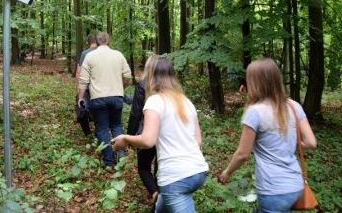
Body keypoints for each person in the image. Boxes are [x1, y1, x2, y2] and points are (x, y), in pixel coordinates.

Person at [218, 58, 317, 213]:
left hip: (274, 190)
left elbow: (243, 154)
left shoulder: (255, 112)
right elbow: (311, 143)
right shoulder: (293, 106)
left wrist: (227, 172)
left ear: (255, 82)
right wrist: (289, 143)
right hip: (296, 185)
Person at [112, 57, 209, 213]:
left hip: (176, 179)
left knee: (170, 194)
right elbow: (197, 141)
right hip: (198, 171)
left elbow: (148, 140)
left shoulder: (155, 102)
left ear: (149, 76)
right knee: (160, 208)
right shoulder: (185, 101)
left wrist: (125, 138)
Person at [77, 32, 132, 167]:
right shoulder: (118, 55)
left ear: (97, 41)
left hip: (98, 98)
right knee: (116, 125)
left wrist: (80, 97)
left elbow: (83, 80)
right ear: (109, 41)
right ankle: (120, 156)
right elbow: (128, 76)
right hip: (117, 97)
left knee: (101, 129)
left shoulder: (89, 56)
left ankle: (108, 161)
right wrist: (121, 87)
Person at [126, 54, 160, 206]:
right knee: (161, 168)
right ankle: (160, 194)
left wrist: (130, 136)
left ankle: (155, 194)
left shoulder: (142, 84)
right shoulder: (171, 87)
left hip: (147, 131)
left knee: (143, 167)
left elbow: (136, 113)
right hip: (165, 134)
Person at [74, 33, 98, 136]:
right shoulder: (103, 52)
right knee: (99, 109)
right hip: (100, 87)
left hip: (87, 86)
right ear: (96, 41)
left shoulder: (85, 53)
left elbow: (79, 72)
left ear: (87, 43)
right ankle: (99, 133)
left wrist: (78, 88)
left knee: (81, 107)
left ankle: (87, 132)